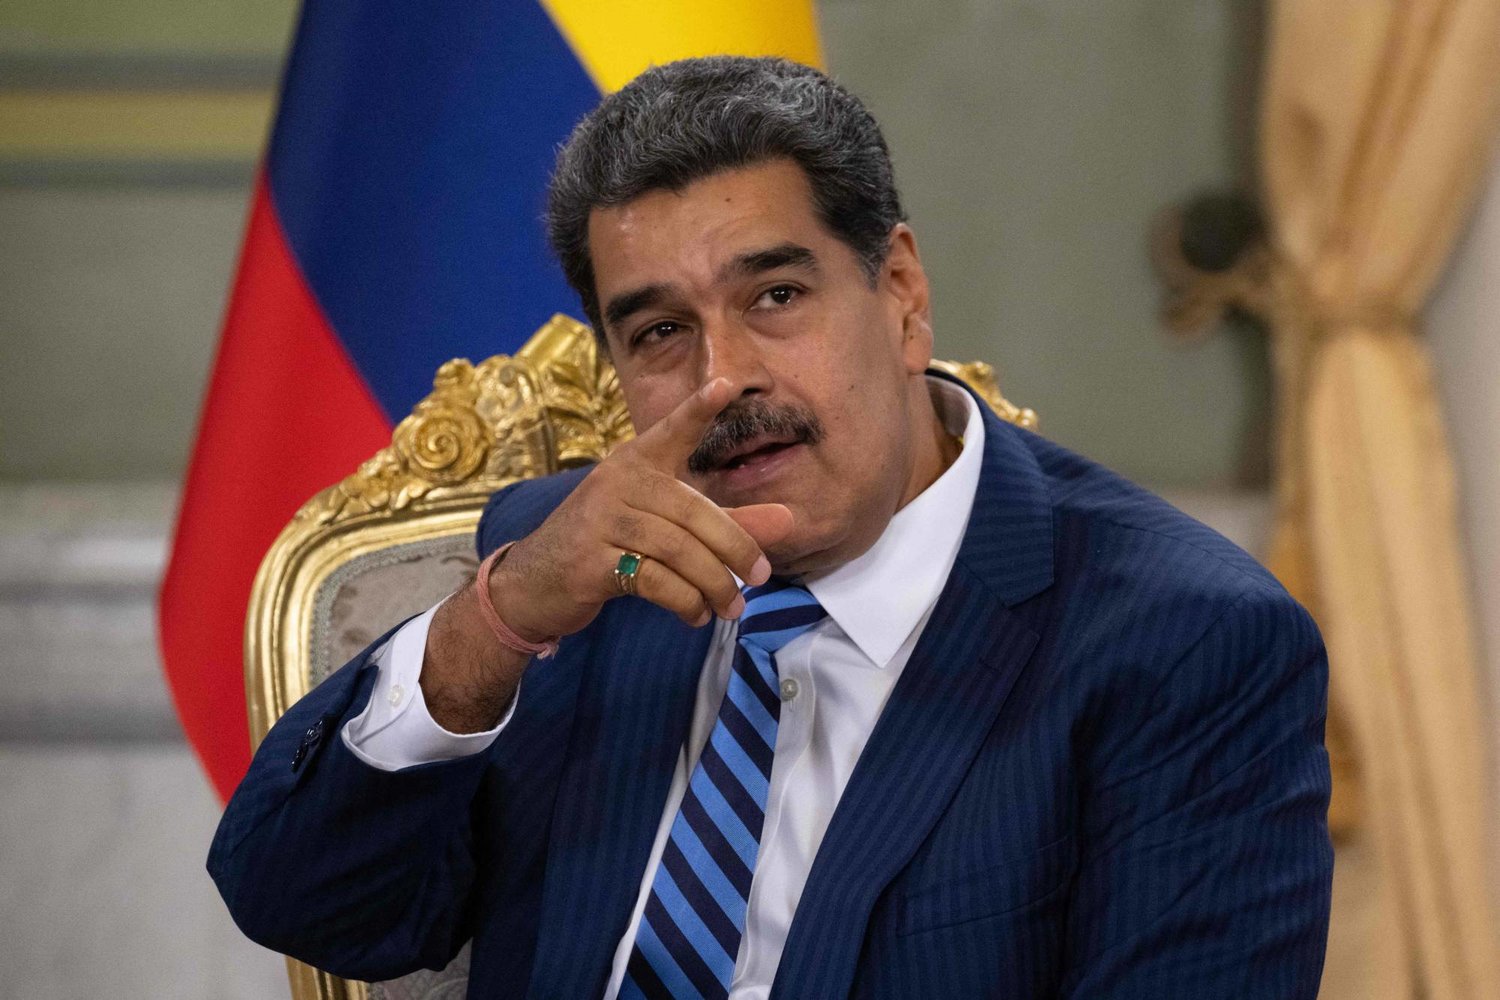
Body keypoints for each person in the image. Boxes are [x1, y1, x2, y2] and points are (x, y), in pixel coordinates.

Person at [210, 56, 1332, 999]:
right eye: (659, 332)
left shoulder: (1184, 643)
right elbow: (309, 902)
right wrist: (496, 621)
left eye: (776, 297)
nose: (726, 377)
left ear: (901, 292)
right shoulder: (576, 568)